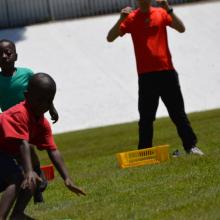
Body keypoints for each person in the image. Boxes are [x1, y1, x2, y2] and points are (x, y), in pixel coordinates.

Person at [106, 0, 204, 155]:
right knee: (146, 118)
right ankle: (144, 153)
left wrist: (168, 9)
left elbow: (182, 28)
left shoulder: (161, 13)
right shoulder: (131, 18)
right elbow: (110, 37)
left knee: (178, 113)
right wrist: (121, 19)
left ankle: (191, 146)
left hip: (167, 71)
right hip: (146, 76)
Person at [0, 73, 86, 220]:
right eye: (40, 100)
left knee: (34, 177)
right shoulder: (19, 114)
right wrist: (28, 172)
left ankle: (17, 214)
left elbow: (53, 150)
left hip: (6, 155)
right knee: (19, 176)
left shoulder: (42, 123)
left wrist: (67, 178)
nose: (43, 105)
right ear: (27, 96)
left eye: (48, 101)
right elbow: (23, 144)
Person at [0, 39, 59, 202]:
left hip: (30, 120)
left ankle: (38, 172)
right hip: (12, 126)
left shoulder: (26, 74)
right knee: (20, 160)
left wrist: (51, 108)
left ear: (16, 56)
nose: (4, 56)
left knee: (30, 151)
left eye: (8, 53)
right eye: (0, 54)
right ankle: (36, 191)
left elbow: (43, 91)